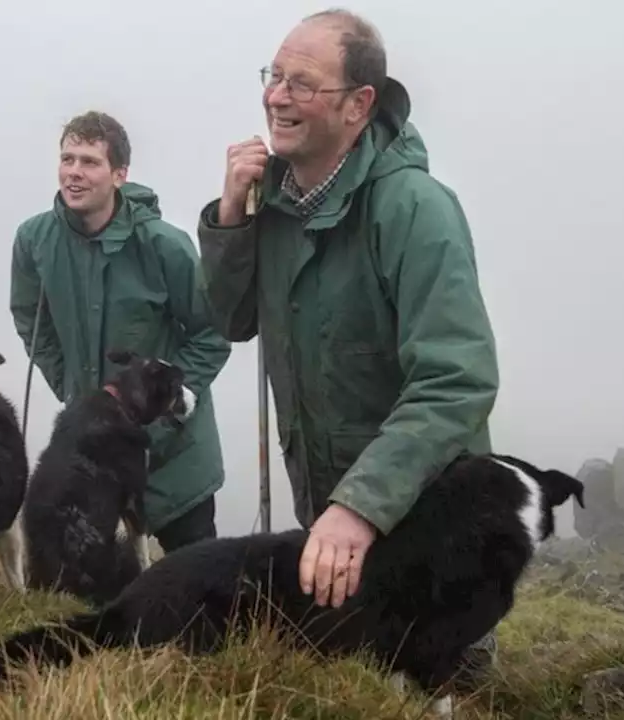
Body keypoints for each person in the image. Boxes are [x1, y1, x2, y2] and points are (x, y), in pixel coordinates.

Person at [195, 9, 502, 680]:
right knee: (346, 682)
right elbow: (233, 318)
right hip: (327, 520)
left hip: (425, 525)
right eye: (273, 76)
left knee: (437, 681)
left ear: (360, 104)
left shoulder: (416, 210)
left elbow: (456, 382)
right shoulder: (270, 207)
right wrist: (228, 218)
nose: (276, 96)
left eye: (301, 84)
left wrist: (360, 507)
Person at [10, 110, 232, 553]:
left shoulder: (165, 245)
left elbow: (213, 332)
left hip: (175, 456)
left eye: (90, 162)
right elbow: (30, 319)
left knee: (195, 588)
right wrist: (72, 389)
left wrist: (164, 402)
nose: (74, 172)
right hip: (92, 455)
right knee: (94, 591)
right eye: (67, 158)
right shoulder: (34, 240)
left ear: (119, 174)